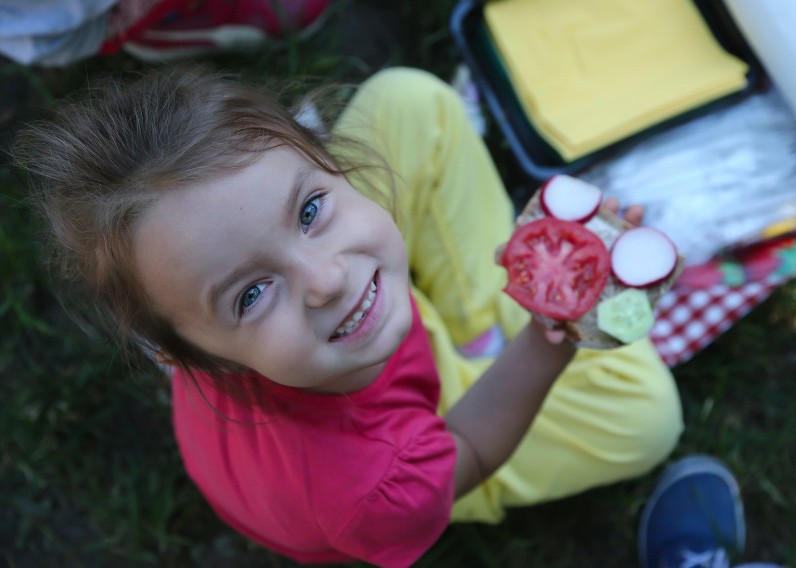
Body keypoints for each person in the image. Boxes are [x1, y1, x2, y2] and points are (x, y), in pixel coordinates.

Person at [14, 65, 683, 567]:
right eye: (250, 294)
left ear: (327, 160)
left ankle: (477, 324)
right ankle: (487, 345)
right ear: (186, 359)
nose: (327, 278)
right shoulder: (375, 487)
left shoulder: (221, 303)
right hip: (426, 441)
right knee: (647, 418)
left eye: (309, 210)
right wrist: (547, 338)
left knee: (411, 101)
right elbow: (470, 449)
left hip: (333, 355)